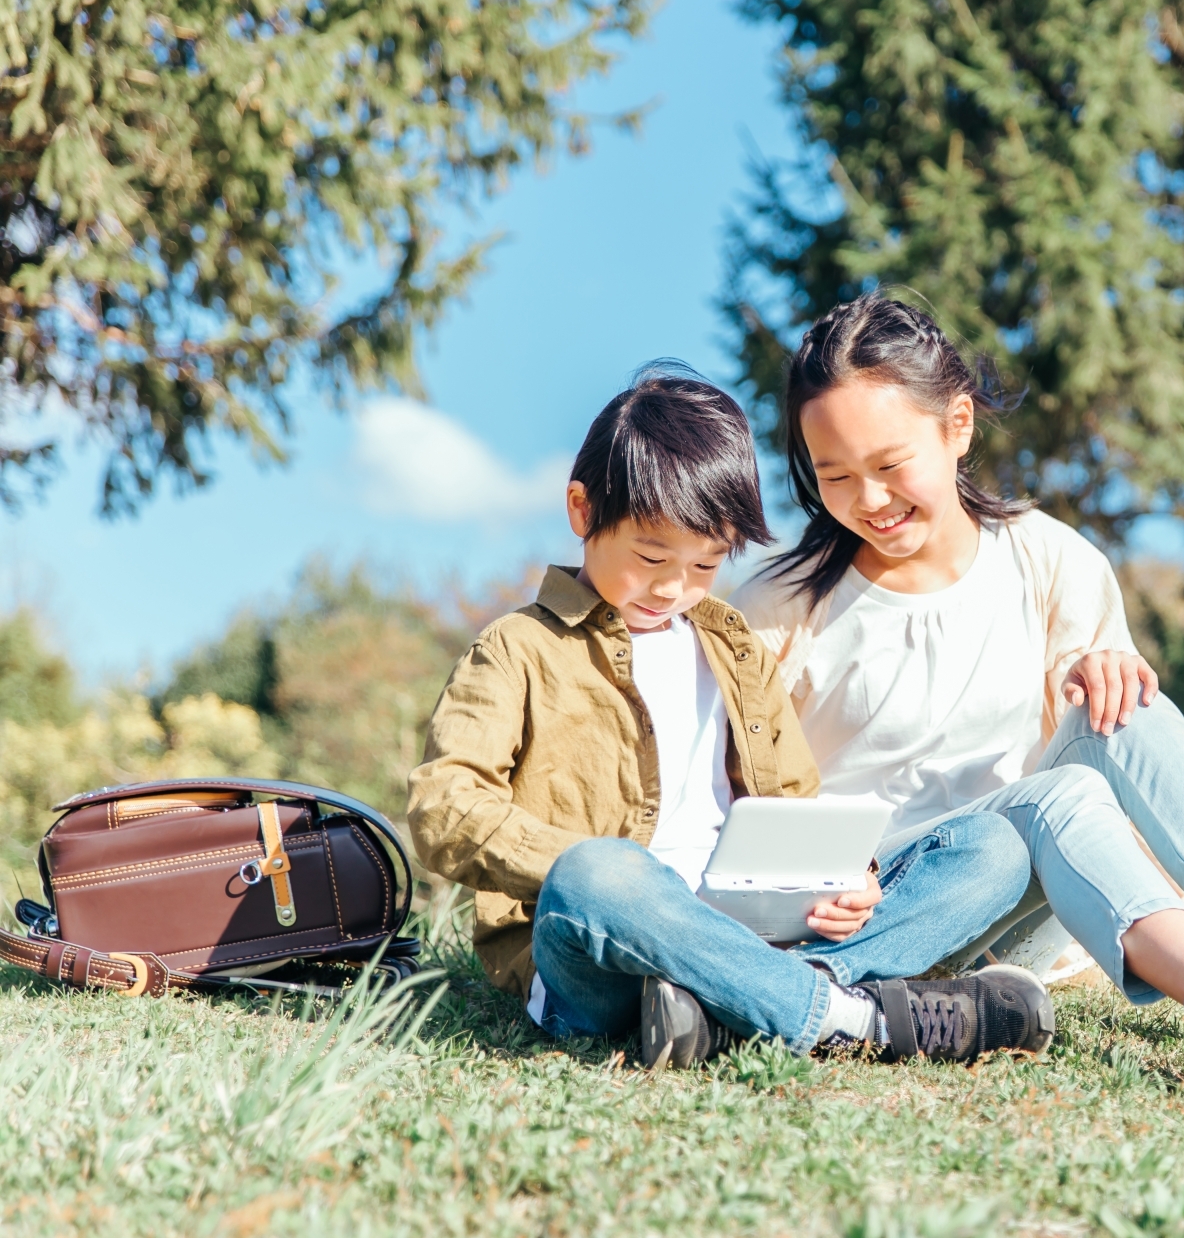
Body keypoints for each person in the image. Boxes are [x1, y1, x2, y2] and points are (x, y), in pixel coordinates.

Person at [734, 296, 1184, 1106]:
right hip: (882, 918)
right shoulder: (778, 609)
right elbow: (738, 798)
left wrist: (1108, 667)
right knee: (1055, 795)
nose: (868, 498)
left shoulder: (1046, 558)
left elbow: (1103, 739)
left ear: (958, 426)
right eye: (834, 476)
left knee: (1128, 703)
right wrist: (823, 875)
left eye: (890, 465)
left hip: (1022, 913)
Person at [407, 362, 1055, 1069]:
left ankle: (732, 1005)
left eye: (705, 566)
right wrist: (602, 872)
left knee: (990, 848)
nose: (672, 587)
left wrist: (846, 875)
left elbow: (793, 799)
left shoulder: (733, 645)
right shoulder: (518, 648)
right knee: (597, 872)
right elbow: (444, 808)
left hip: (752, 925)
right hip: (605, 947)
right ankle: (852, 1018)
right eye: (651, 555)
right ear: (582, 511)